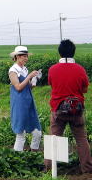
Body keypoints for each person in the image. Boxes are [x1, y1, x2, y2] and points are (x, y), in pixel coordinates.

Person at [45, 39, 92, 173]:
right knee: (81, 139)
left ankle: (49, 169)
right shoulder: (80, 69)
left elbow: (52, 85)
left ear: (60, 53)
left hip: (58, 110)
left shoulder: (53, 69)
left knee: (54, 137)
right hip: (76, 110)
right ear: (73, 52)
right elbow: (85, 89)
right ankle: (87, 169)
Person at [8, 46, 42, 152]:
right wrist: (29, 77)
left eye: (26, 56)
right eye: (24, 56)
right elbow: (18, 87)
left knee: (37, 132)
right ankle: (18, 159)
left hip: (28, 101)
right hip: (19, 103)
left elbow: (27, 87)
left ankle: (33, 155)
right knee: (21, 133)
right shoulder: (13, 70)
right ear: (17, 57)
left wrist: (33, 81)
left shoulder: (24, 69)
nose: (26, 58)